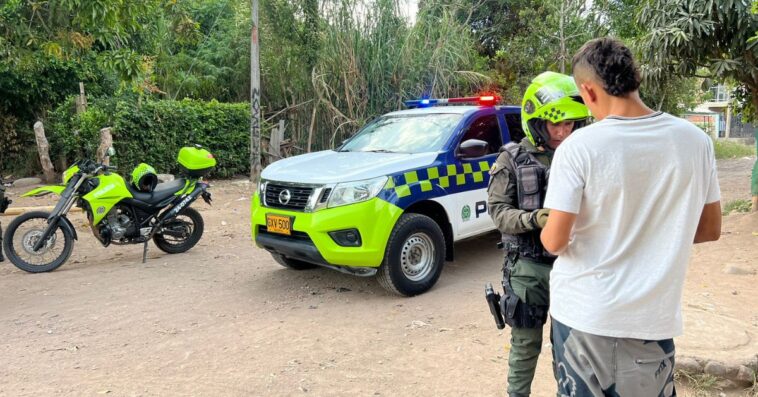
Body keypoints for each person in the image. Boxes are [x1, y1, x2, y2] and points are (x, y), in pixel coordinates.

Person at [540, 37, 722, 396]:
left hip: (584, 318)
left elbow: (555, 240)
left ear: (589, 92)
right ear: (634, 79)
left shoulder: (579, 148)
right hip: (650, 323)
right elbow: (710, 229)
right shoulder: (695, 141)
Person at [487, 71, 589, 397]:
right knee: (525, 346)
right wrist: (534, 218)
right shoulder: (511, 159)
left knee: (568, 349)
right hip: (528, 268)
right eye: (554, 124)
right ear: (536, 121)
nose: (562, 132)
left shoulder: (580, 156)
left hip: (571, 266)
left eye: (569, 124)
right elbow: (498, 212)